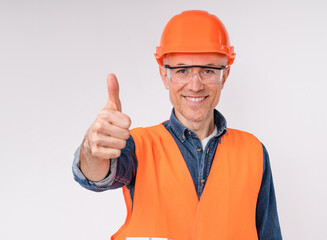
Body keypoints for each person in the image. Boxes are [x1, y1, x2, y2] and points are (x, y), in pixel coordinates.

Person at [73, 10, 282, 240]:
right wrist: (91, 148)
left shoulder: (254, 152)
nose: (195, 85)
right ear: (165, 76)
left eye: (208, 70)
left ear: (225, 75)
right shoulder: (138, 147)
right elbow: (96, 177)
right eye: (182, 70)